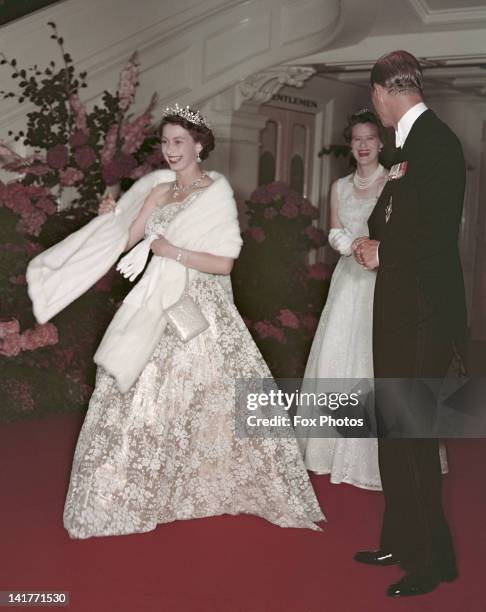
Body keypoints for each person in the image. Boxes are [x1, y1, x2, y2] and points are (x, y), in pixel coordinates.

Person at [29, 105, 325, 538]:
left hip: (201, 306)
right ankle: (141, 491)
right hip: (157, 301)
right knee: (138, 392)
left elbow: (224, 263)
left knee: (206, 391)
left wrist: (173, 252)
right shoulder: (159, 192)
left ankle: (212, 480)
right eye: (166, 142)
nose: (170, 151)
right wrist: (109, 217)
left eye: (179, 142)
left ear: (199, 145)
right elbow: (126, 239)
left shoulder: (216, 191)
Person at [352, 50, 467, 597]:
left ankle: (432, 561)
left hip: (423, 313)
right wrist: (376, 242)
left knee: (413, 434)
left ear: (382, 91)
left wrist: (385, 254)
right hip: (399, 308)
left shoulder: (437, 144)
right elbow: (390, 218)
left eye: (372, 98)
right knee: (394, 432)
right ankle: (400, 539)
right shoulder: (406, 148)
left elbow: (439, 234)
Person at [298, 109, 387, 489]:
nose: (363, 145)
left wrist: (375, 249)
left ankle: (373, 457)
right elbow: (333, 231)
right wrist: (349, 243)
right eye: (357, 139)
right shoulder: (339, 186)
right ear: (350, 145)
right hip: (348, 278)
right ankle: (330, 451)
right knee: (337, 357)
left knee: (373, 358)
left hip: (381, 278)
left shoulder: (394, 181)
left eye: (370, 138)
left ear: (381, 143)